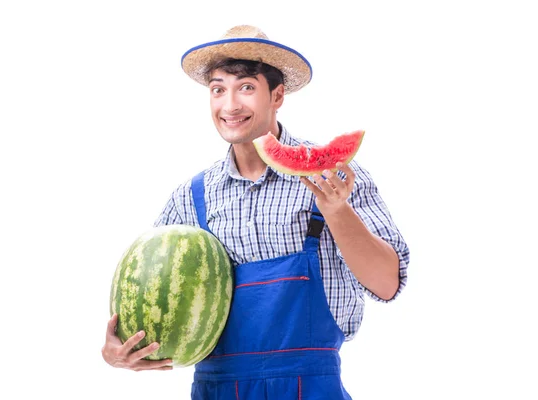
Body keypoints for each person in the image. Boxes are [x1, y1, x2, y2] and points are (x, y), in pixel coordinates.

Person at [102, 25, 410, 399]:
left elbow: (387, 284)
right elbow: (152, 300)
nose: (230, 105)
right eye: (218, 90)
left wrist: (335, 210)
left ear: (277, 95)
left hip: (311, 388)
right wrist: (121, 351)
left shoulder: (331, 178)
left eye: (246, 87)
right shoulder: (190, 198)